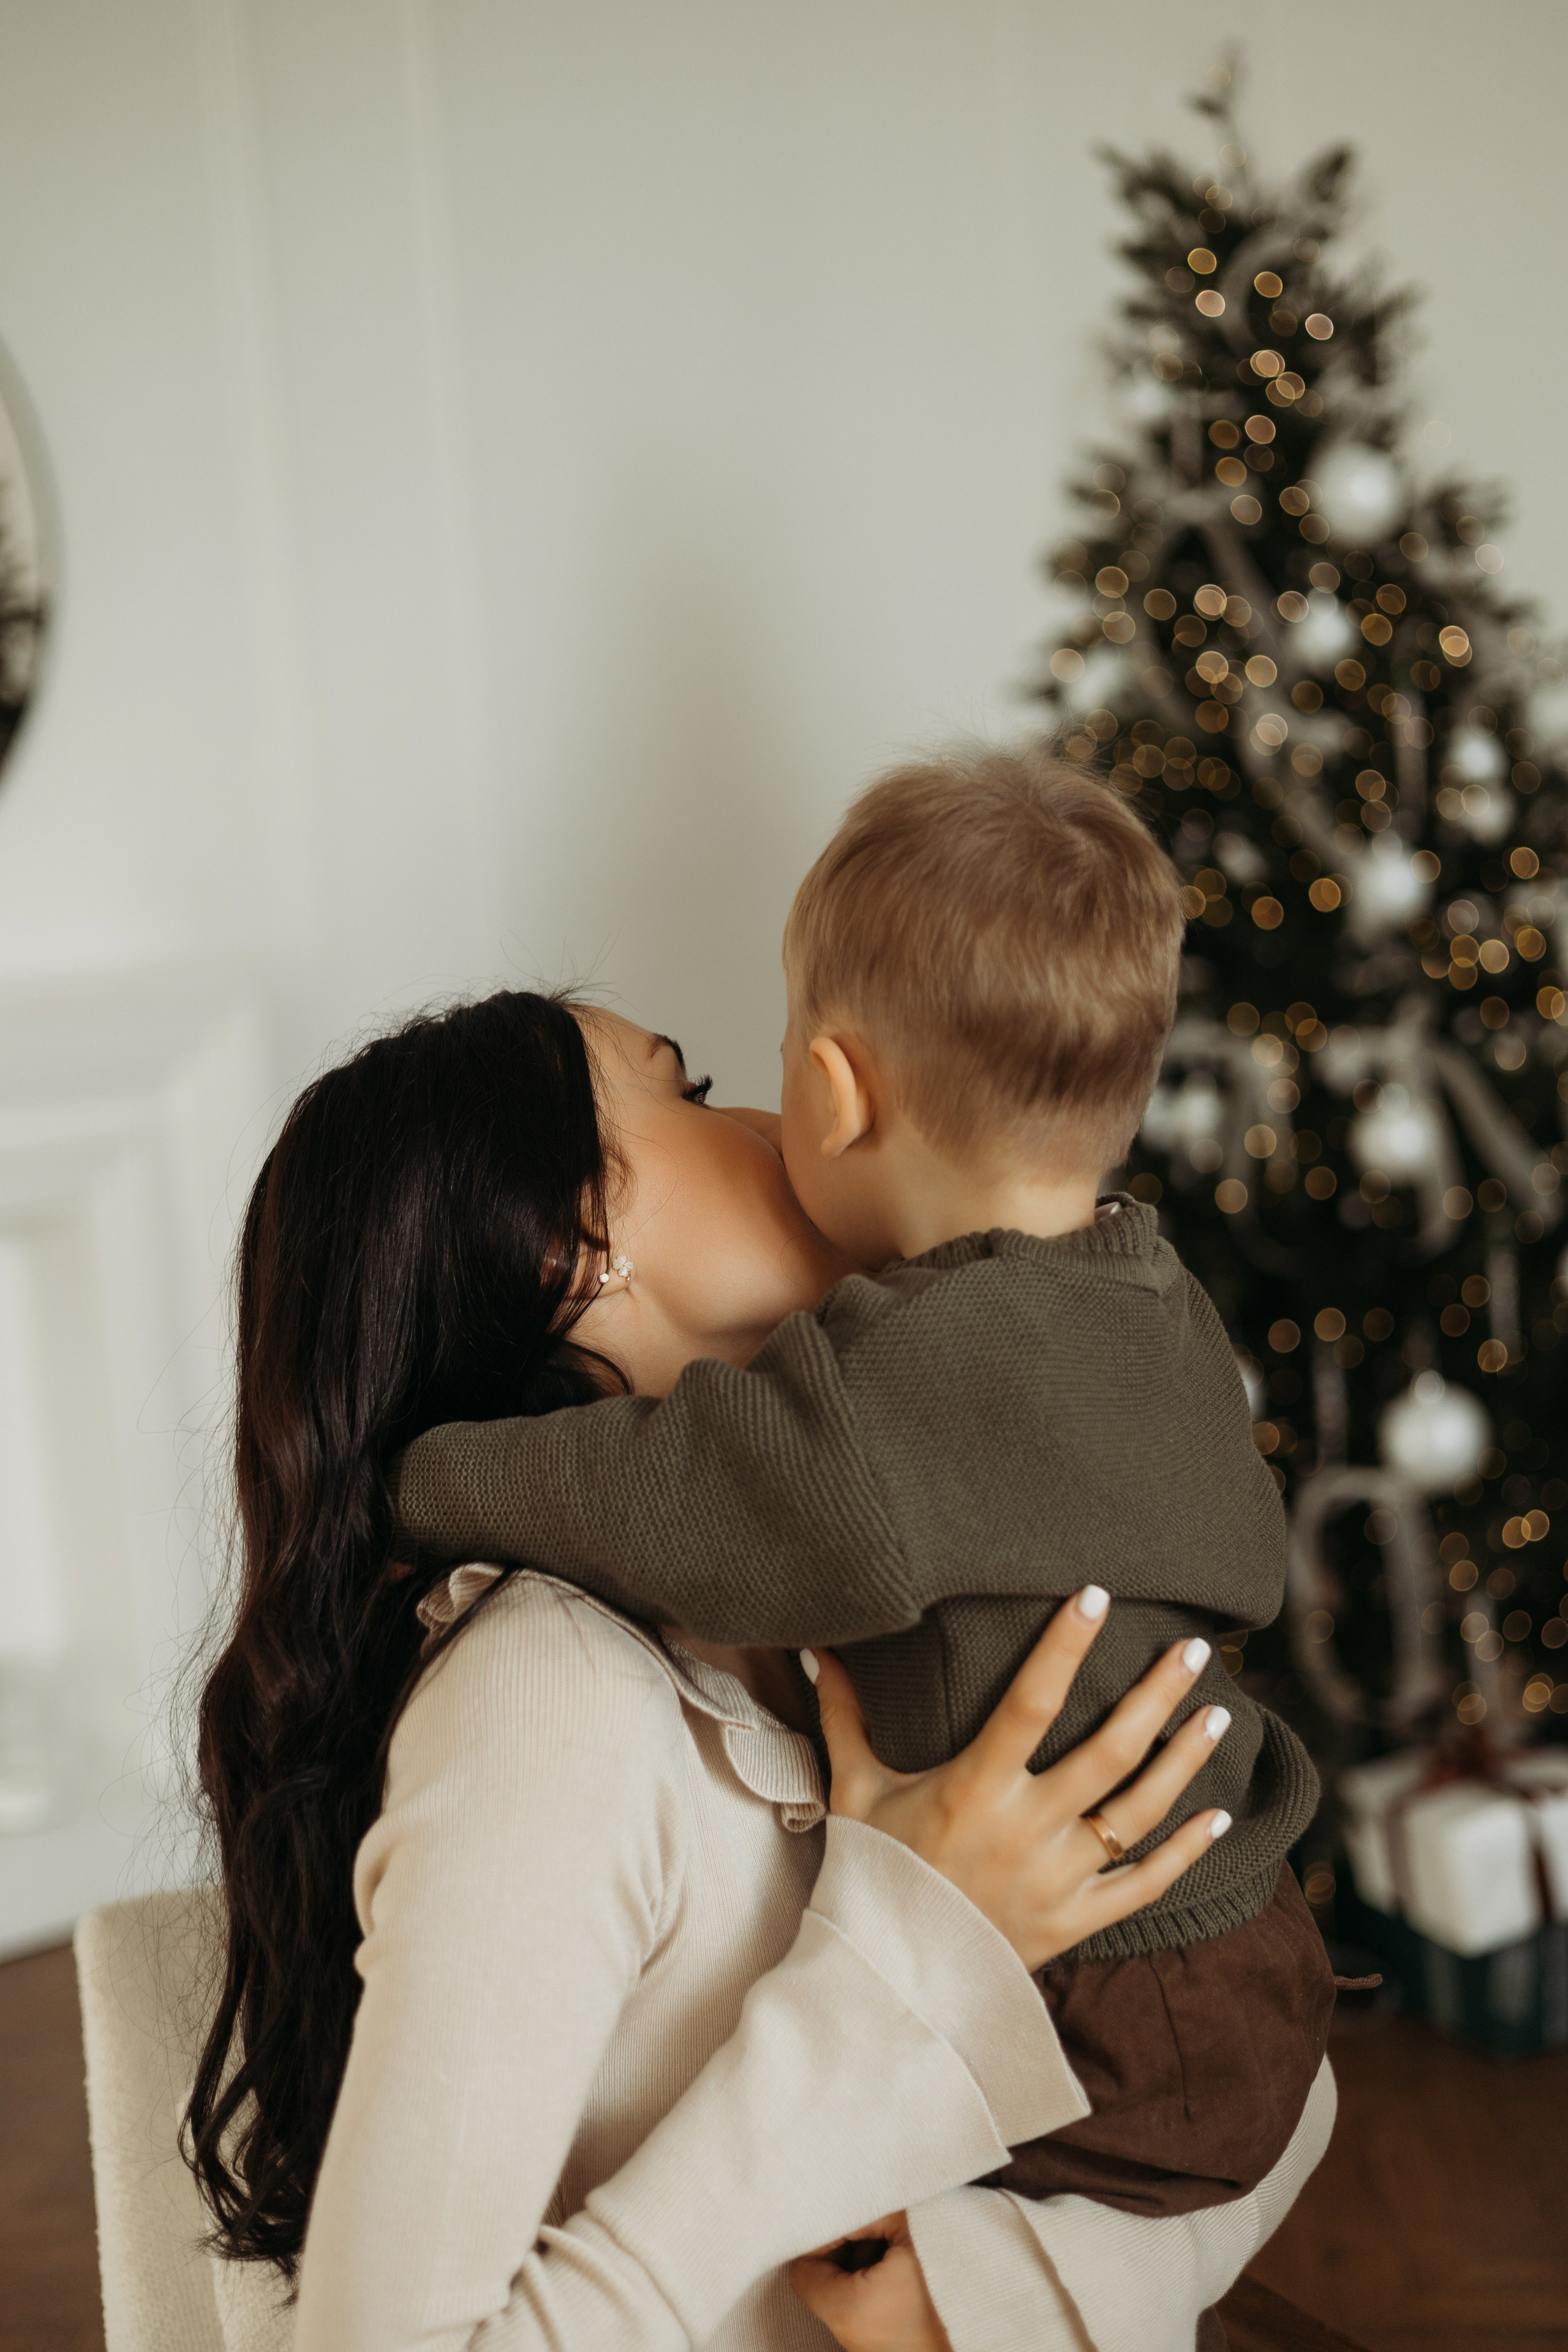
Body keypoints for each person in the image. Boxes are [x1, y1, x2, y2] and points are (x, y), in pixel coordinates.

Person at [184, 988, 1335, 2352]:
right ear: (572, 1251)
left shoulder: (862, 1588)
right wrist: (908, 1959)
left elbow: (1270, 2086)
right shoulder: (547, 1708)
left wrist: (991, 2288)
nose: (773, 1122)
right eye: (686, 1089)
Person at [394, 750, 1336, 2219]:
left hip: (1111, 1995)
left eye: (743, 1071)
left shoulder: (888, 1396)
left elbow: (655, 1488)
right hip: (1257, 1925)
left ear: (834, 1092)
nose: (764, 1126)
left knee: (887, 2208)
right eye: (689, 1092)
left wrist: (427, 1474)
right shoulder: (1151, 1296)